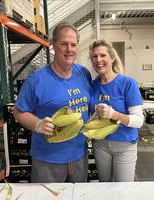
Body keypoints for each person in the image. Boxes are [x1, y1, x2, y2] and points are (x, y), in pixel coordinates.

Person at [13, 22, 91, 183]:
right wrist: (38, 124)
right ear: (53, 45)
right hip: (48, 160)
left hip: (79, 156)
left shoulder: (84, 73)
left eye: (73, 44)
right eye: (64, 44)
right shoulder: (36, 80)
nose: (69, 49)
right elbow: (18, 112)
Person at [89, 39, 144, 182]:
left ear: (112, 58)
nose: (98, 60)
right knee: (105, 185)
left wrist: (114, 114)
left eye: (102, 55)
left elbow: (139, 121)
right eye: (94, 56)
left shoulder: (127, 83)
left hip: (124, 145)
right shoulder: (92, 85)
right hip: (100, 144)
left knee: (123, 190)